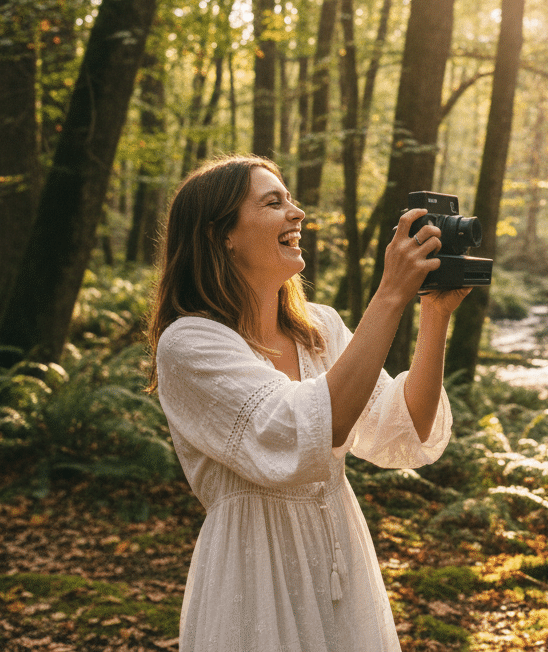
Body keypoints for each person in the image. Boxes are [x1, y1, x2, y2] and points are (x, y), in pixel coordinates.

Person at [147, 155, 468, 651]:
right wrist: (388, 295)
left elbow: (404, 429)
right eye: (273, 202)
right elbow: (298, 429)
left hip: (343, 564)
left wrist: (434, 312)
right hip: (252, 577)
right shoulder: (189, 344)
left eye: (291, 199)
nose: (296, 213)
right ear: (221, 234)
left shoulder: (320, 330)